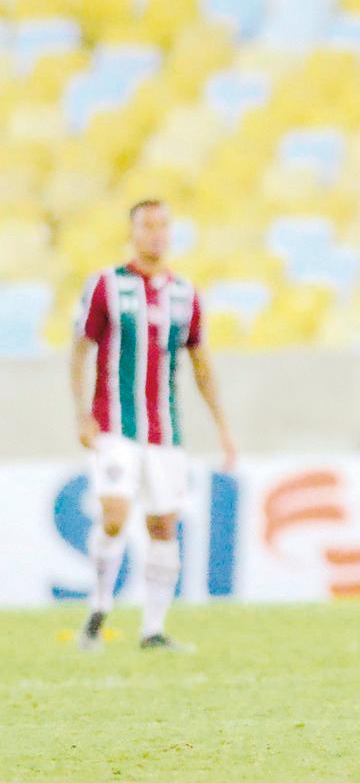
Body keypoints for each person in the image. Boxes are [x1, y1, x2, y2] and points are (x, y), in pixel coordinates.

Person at [71, 199, 237, 651]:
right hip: (114, 426)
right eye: (148, 226)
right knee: (114, 515)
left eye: (164, 226)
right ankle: (98, 610)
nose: (157, 234)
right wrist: (82, 413)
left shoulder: (184, 293)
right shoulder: (106, 285)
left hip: (165, 433)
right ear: (133, 231)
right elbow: (81, 348)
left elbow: (201, 365)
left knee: (163, 526)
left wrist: (222, 427)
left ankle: (153, 629)